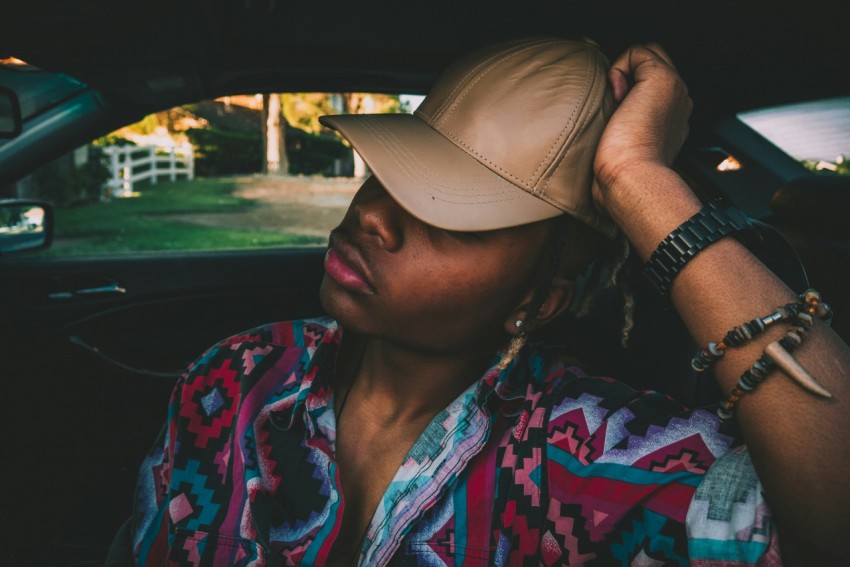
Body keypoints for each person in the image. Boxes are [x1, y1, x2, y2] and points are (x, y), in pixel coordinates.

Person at [108, 37, 850, 566]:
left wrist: (636, 178)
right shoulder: (235, 376)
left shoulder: (587, 456)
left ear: (539, 300)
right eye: (392, 174)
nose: (375, 214)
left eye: (450, 213)